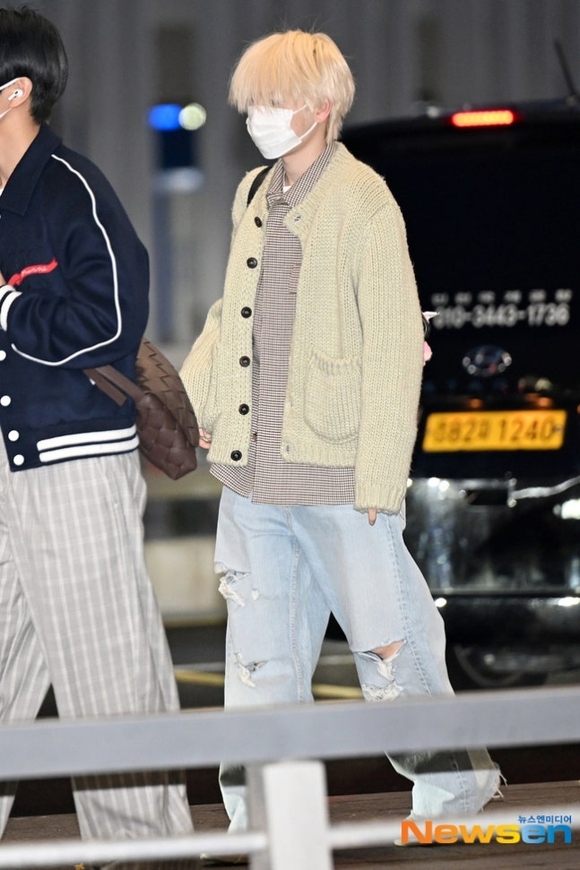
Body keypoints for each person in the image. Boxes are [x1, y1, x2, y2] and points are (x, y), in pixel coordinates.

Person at [180, 28, 500, 864]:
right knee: (257, 664)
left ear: (321, 106)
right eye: (250, 103)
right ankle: (257, 819)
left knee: (391, 649)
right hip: (252, 476)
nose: (256, 116)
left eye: (272, 101)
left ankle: (456, 796)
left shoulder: (364, 200)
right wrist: (195, 403)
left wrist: (381, 480)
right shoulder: (253, 192)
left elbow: (394, 344)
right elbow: (228, 315)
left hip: (339, 471)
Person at [0, 7, 197, 869]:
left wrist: (8, 307)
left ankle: (144, 852)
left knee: (107, 664)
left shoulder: (68, 188)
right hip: (9, 464)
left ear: (13, 91)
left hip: (73, 463)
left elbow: (113, 320)